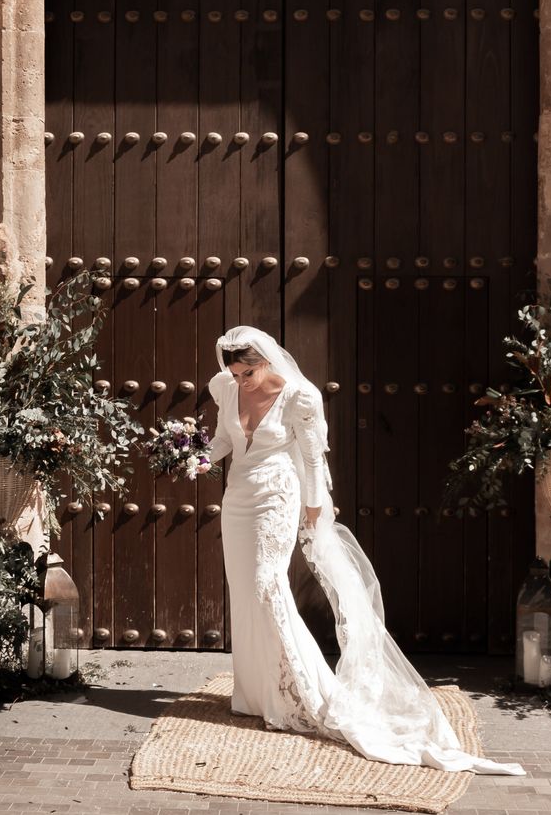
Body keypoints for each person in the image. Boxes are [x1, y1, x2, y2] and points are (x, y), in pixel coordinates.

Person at [204, 325, 525, 775]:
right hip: (237, 498)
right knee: (243, 590)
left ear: (266, 362)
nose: (243, 382)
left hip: (277, 496)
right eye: (236, 374)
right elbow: (225, 440)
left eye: (249, 373)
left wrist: (314, 507)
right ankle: (256, 695)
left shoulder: (300, 396)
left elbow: (312, 457)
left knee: (266, 585)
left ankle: (302, 691)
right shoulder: (225, 388)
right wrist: (196, 457)